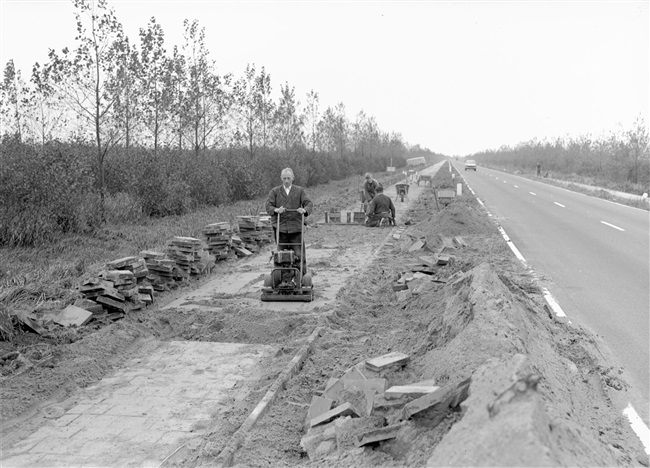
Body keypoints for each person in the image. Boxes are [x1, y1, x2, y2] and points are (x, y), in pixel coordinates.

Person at [265, 168, 313, 275]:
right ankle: (280, 278)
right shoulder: (275, 191)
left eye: (288, 178)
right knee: (280, 256)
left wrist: (304, 210)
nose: (286, 181)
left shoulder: (300, 191)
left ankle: (301, 278)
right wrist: (276, 210)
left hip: (296, 228)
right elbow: (268, 206)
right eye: (284, 178)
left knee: (299, 255)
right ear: (281, 178)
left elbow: (308, 203)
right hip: (280, 228)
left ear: (293, 178)